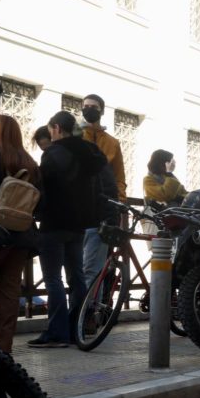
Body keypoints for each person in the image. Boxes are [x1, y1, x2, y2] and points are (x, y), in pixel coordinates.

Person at [30, 111, 108, 348]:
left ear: (56, 128)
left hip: (54, 222)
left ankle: (57, 333)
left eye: (51, 130)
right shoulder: (87, 151)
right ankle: (76, 329)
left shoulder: (54, 153)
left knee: (53, 278)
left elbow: (44, 187)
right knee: (77, 277)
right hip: (79, 224)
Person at [0, 115, 41, 353]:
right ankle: (1, 350)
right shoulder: (29, 162)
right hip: (20, 238)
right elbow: (39, 203)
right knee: (10, 294)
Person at [80, 93, 126, 289]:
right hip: (81, 205)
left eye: (94, 107)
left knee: (104, 262)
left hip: (105, 208)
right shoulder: (76, 135)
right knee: (79, 264)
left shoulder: (112, 142)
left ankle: (101, 302)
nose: (89, 109)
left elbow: (119, 177)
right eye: (86, 106)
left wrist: (120, 203)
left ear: (102, 111)